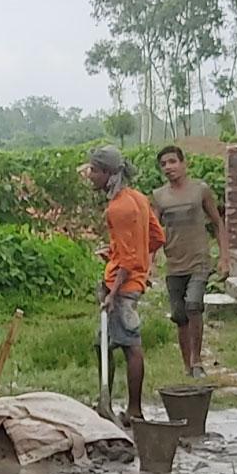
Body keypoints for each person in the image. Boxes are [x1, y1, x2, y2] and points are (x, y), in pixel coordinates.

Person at [85, 146, 163, 421]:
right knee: (103, 344)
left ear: (108, 173)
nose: (89, 175)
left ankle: (134, 410)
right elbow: (156, 237)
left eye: (93, 170)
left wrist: (113, 293)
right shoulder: (138, 199)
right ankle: (106, 402)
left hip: (121, 287)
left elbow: (129, 258)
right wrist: (129, 259)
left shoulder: (118, 208)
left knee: (131, 345)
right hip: (130, 280)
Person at [152, 144, 229, 378]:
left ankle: (197, 362)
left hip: (199, 259)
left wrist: (225, 256)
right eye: (164, 164)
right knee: (179, 316)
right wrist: (150, 262)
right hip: (174, 263)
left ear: (184, 164)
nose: (169, 167)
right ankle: (187, 365)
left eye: (173, 162)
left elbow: (217, 223)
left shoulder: (200, 190)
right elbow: (153, 232)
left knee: (193, 304)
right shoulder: (159, 196)